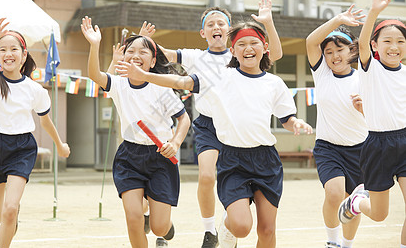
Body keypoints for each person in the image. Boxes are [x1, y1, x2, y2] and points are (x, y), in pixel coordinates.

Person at [116, 17, 313, 248]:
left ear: (264, 48)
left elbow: (286, 118)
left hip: (266, 160)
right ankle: (225, 226)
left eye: (254, 43)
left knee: (267, 230)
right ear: (233, 51)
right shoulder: (220, 77)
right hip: (234, 160)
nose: (248, 49)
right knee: (241, 226)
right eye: (241, 44)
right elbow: (182, 81)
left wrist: (296, 123)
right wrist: (147, 76)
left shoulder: (275, 83)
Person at [139, 0, 283, 248]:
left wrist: (268, 22)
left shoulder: (242, 52)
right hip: (207, 125)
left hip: (235, 125)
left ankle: (231, 219)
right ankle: (209, 232)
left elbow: (275, 54)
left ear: (229, 32)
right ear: (203, 33)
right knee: (206, 176)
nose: (216, 26)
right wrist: (144, 42)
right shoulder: (196, 56)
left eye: (222, 23)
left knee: (236, 182)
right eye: (210, 24)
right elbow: (164, 54)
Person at [0, 18, 70, 248]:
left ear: (24, 54)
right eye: (3, 50)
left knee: (9, 209)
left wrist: (60, 145)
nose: (8, 54)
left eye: (14, 49)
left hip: (22, 148)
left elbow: (46, 122)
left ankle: (11, 215)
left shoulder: (35, 90)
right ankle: (11, 217)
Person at [81, 16, 191, 248]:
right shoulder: (119, 84)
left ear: (152, 62)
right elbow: (95, 76)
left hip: (161, 157)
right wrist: (94, 45)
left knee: (159, 227)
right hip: (129, 157)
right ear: (123, 57)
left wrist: (176, 142)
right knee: (133, 217)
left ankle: (163, 226)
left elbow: (184, 118)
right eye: (131, 51)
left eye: (143, 52)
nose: (136, 56)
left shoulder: (161, 87)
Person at [338, 0, 406, 247]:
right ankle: (357, 201)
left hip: (404, 140)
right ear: (376, 46)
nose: (394, 46)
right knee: (379, 214)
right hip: (378, 146)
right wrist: (374, 12)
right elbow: (362, 42)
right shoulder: (370, 68)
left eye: (400, 41)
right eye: (387, 41)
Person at [305, 5, 368, 248]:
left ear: (352, 51)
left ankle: (347, 245)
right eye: (329, 51)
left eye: (339, 49)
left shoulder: (363, 75)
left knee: (352, 202)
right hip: (328, 147)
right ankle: (332, 242)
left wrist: (365, 109)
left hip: (361, 150)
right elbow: (312, 42)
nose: (334, 56)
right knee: (334, 193)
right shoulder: (322, 74)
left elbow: (377, 118)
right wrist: (337, 20)